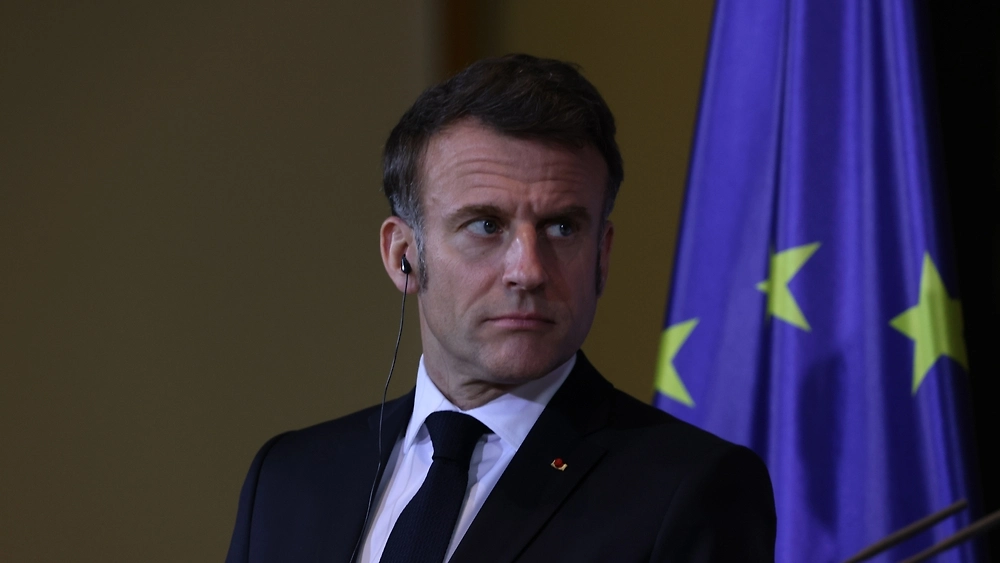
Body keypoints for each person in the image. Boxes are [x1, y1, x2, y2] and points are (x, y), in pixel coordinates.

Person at [225, 54, 776, 563]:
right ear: (402, 255)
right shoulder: (290, 478)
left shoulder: (690, 488)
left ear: (602, 257)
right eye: (486, 225)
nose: (528, 270)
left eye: (562, 228)